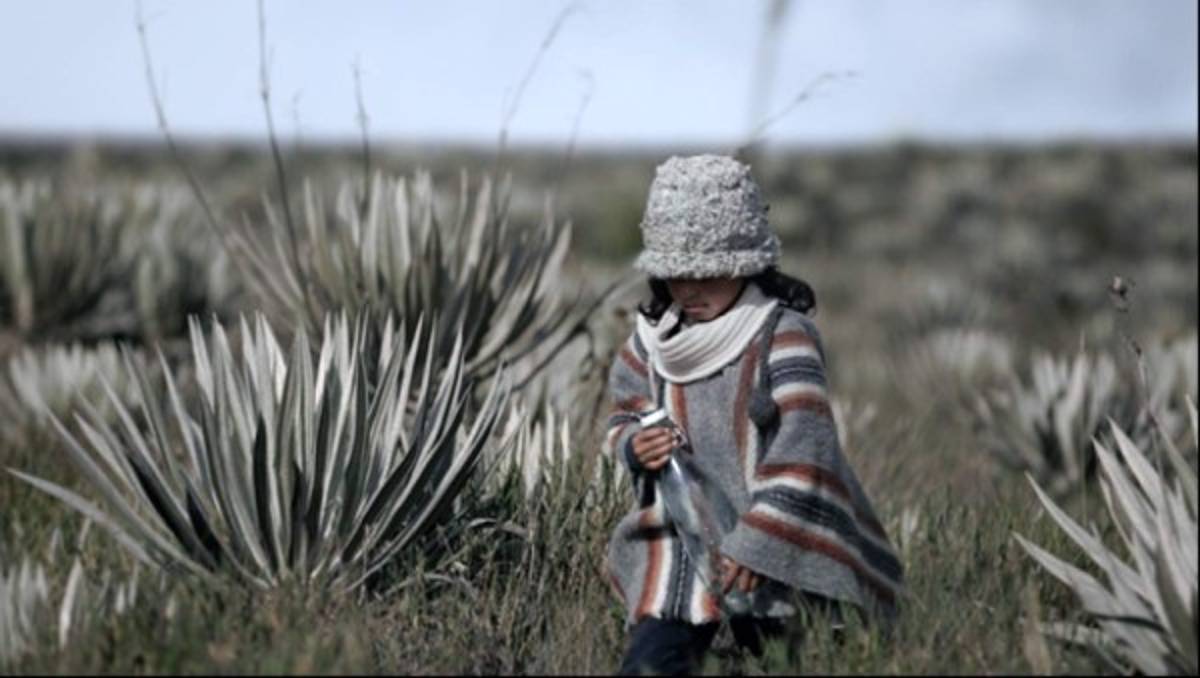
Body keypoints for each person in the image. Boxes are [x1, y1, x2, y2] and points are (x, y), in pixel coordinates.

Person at [603, 154, 904, 675]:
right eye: (675, 274)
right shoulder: (650, 343)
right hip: (681, 530)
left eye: (709, 273)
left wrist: (758, 540)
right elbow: (622, 417)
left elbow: (805, 442)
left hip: (777, 530)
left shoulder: (780, 333)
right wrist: (633, 445)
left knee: (784, 651)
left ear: (747, 264)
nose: (689, 290)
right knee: (656, 650)